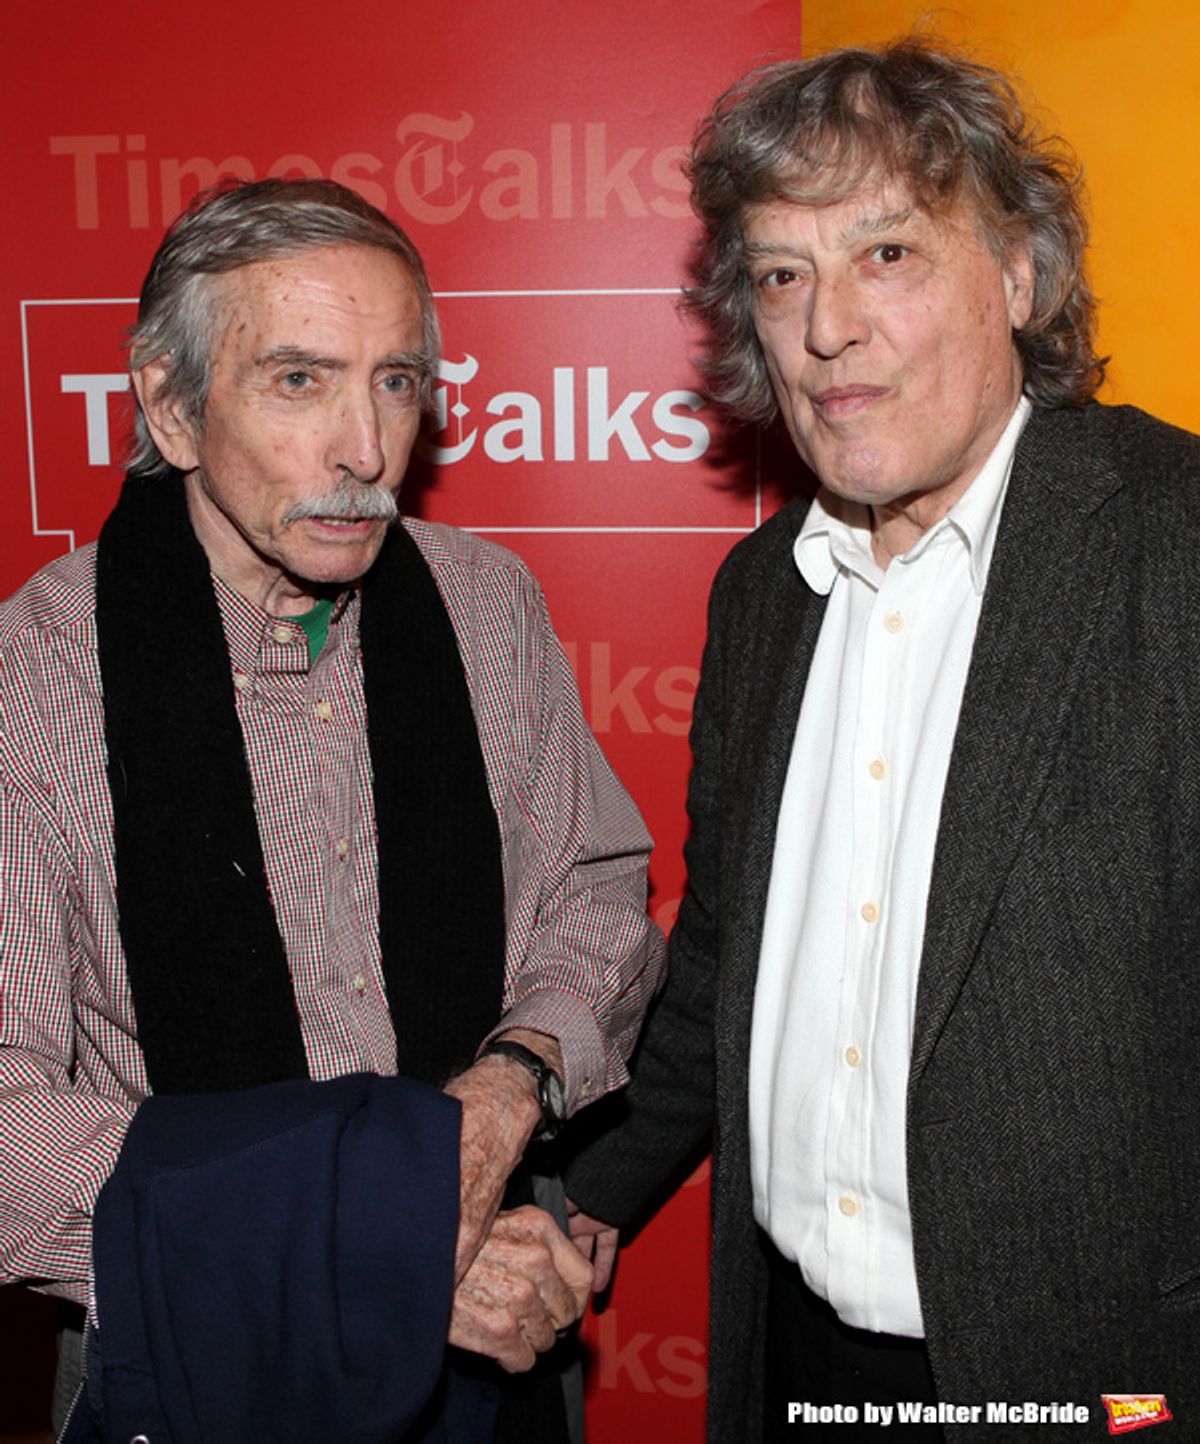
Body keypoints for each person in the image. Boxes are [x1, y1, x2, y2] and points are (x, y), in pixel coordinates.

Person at [564, 36, 1200, 1442]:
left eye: (888, 256)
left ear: (1021, 276)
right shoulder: (763, 592)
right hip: (793, 1356)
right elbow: (727, 949)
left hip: (1093, 1375)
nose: (825, 329)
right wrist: (590, 1199)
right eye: (782, 275)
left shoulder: (1174, 544)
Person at [0, 177, 664, 1441]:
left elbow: (596, 894)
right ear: (170, 405)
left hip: (502, 1347)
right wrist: (382, 1241)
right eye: (299, 380)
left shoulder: (483, 603)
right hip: (194, 1356)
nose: (365, 446)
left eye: (399, 380)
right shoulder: (34, 675)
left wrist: (511, 1086)